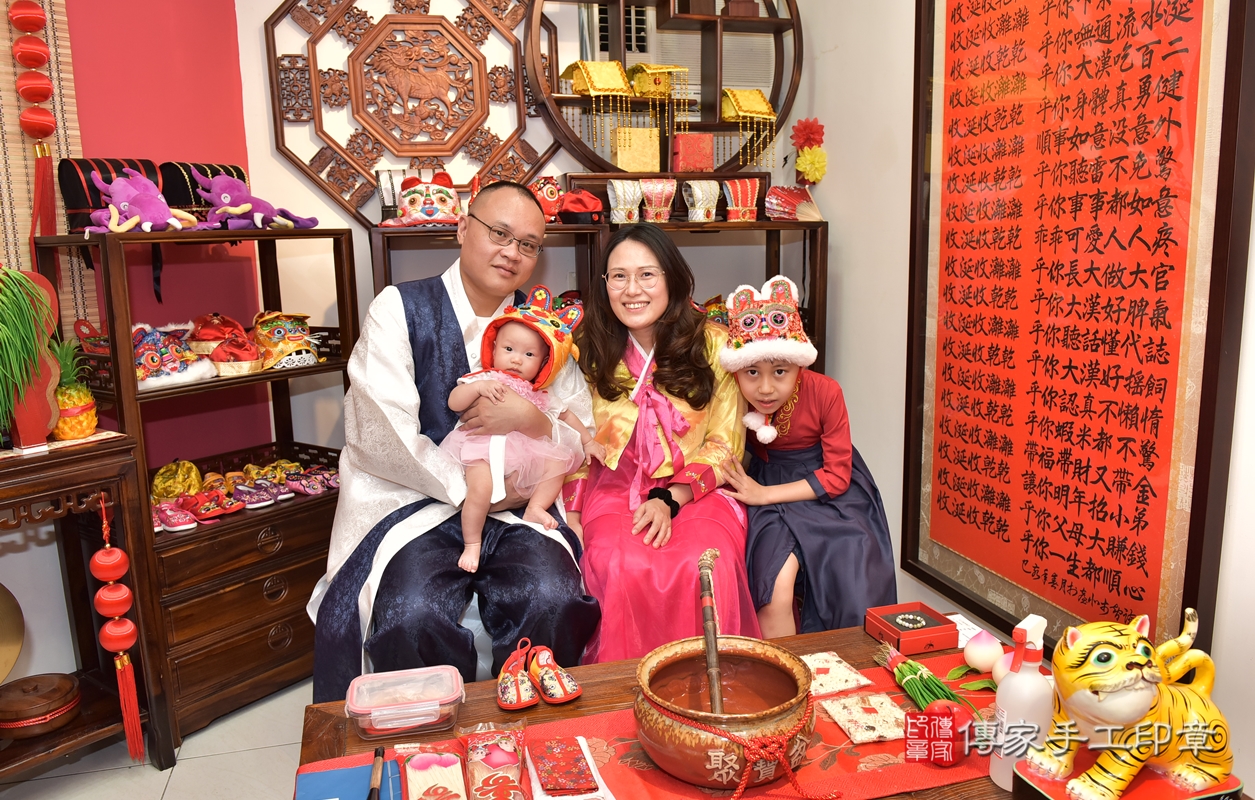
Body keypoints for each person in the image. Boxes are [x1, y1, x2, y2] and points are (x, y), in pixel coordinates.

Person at [309, 181, 600, 702]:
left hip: (520, 508)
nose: (512, 252)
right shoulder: (400, 308)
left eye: (529, 244)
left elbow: (580, 429)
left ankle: (533, 736)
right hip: (417, 503)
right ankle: (436, 739)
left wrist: (533, 423)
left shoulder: (543, 330)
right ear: (463, 228)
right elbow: (382, 431)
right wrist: (475, 491)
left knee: (552, 597)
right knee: (410, 615)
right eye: (499, 233)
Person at [565, 224, 760, 664]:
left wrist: (671, 498)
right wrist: (571, 513)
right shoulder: (586, 350)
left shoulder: (715, 344)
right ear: (604, 284)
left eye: (647, 275)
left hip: (697, 491)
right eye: (618, 276)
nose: (632, 290)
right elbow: (573, 440)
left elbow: (725, 444)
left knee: (703, 563)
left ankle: (708, 689)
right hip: (614, 488)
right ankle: (622, 692)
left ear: (672, 278)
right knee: (615, 563)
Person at [718, 276, 897, 637]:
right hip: (766, 480)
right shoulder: (730, 394)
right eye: (752, 372)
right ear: (737, 370)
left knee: (855, 565)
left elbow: (837, 476)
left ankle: (851, 663)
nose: (765, 388)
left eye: (779, 372)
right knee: (773, 589)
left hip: (827, 490)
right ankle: (784, 671)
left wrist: (764, 495)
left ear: (800, 367)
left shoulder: (826, 392)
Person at [440, 287, 594, 572]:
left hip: (522, 453)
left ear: (544, 364)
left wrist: (587, 440)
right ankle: (472, 542)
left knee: (556, 465)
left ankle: (536, 507)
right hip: (481, 448)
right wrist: (478, 387)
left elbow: (566, 414)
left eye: (529, 354)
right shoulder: (484, 377)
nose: (516, 360)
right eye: (508, 349)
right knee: (480, 488)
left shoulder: (538, 392)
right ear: (494, 348)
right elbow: (454, 402)